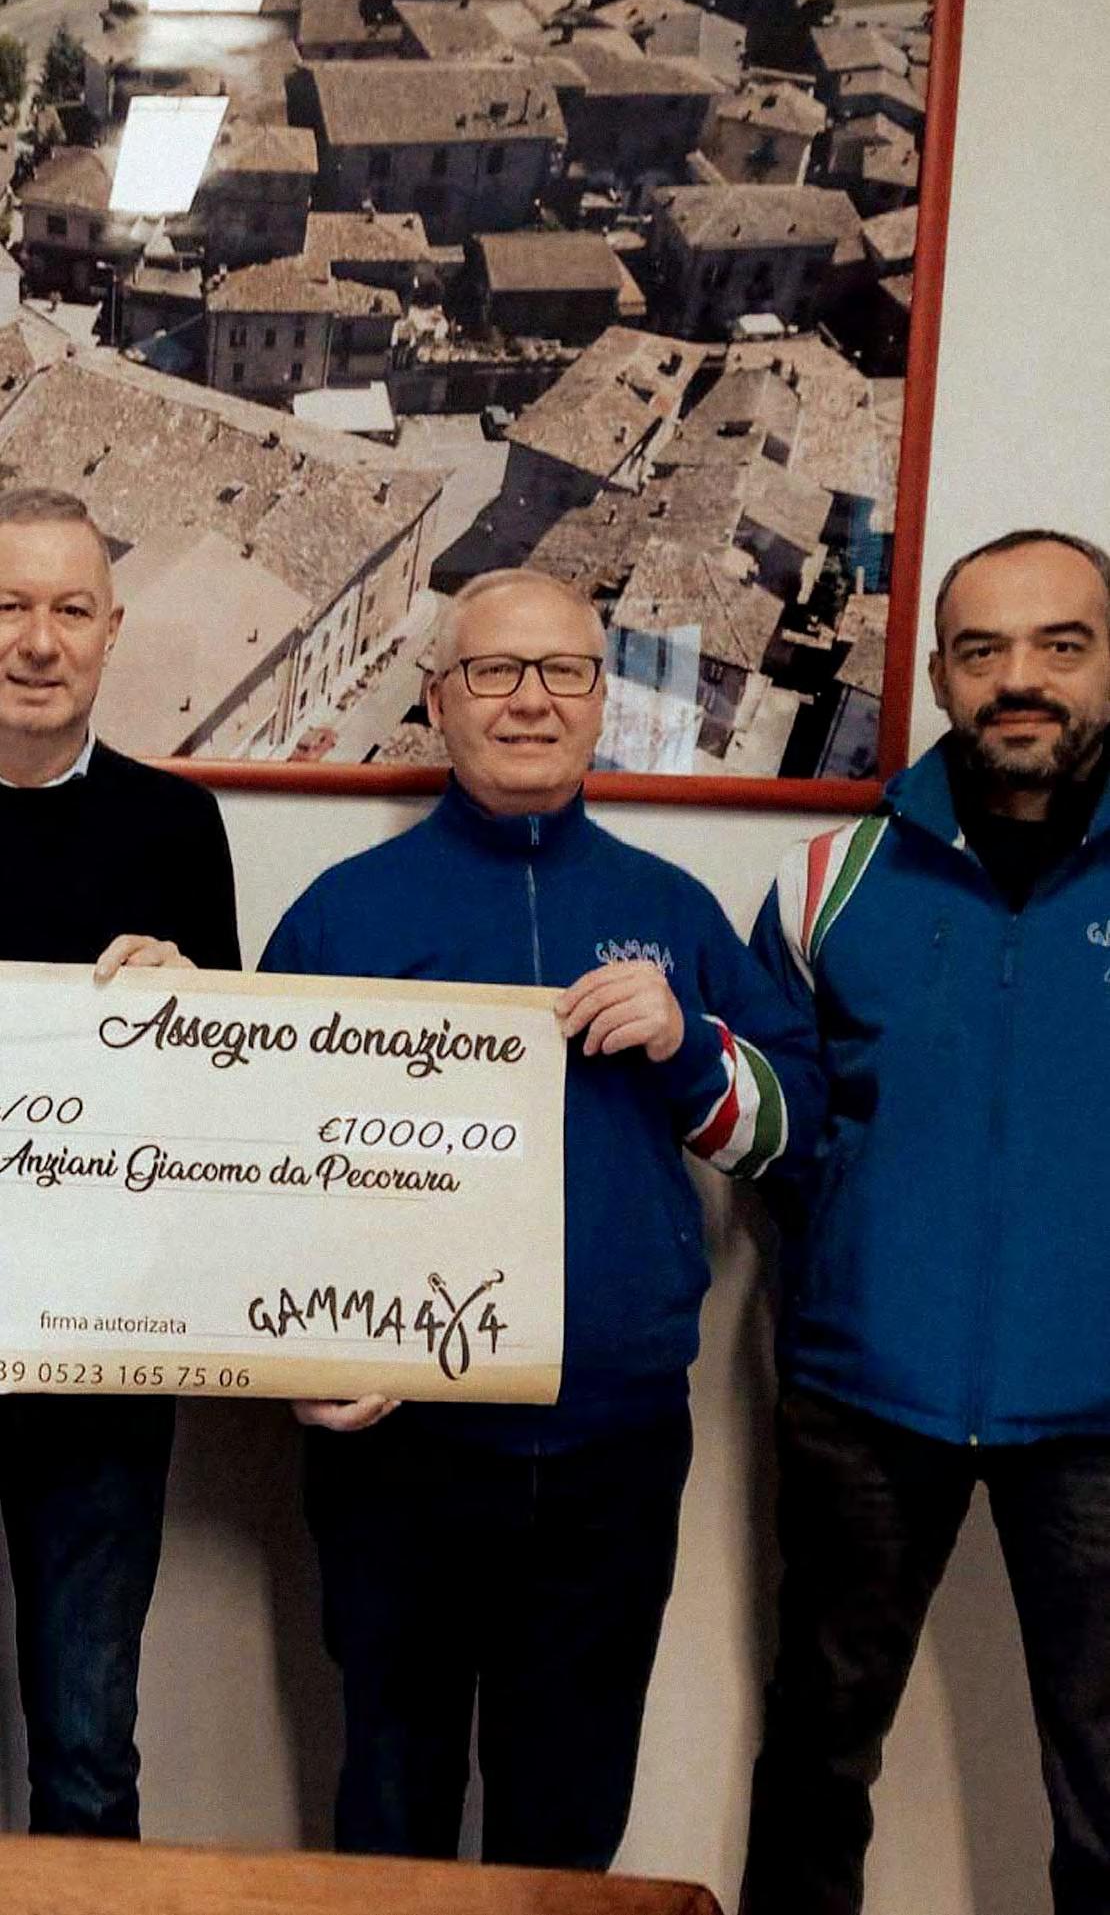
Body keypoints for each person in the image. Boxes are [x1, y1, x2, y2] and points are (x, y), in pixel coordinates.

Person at [261, 566, 822, 1870]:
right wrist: (293, 1354)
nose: (530, 700)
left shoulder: (673, 911)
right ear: (436, 700)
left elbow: (790, 1136)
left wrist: (689, 1047)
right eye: (495, 671)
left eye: (564, 671)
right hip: (399, 1456)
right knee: (389, 1810)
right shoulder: (343, 911)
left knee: (566, 1826)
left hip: (609, 1455)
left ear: (600, 699)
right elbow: (258, 1173)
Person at [743, 528, 1110, 1915]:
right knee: (815, 1762)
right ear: (942, 676)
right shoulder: (824, 880)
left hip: (1099, 1415)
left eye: (1060, 644)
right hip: (863, 1401)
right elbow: (782, 1133)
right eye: (981, 649)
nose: (1019, 679)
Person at [0, 484, 240, 1835]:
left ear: (111, 632)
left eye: (70, 609)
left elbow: (233, 1114)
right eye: (7, 605)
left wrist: (195, 1002)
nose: (38, 641)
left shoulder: (176, 827)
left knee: (89, 1748)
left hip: (103, 1358)